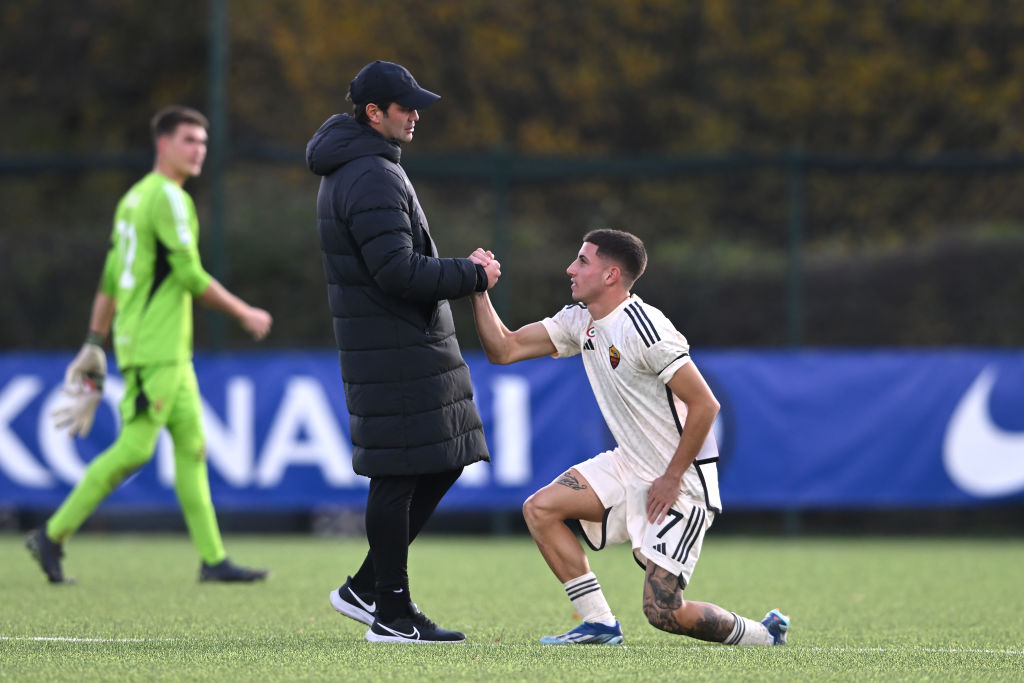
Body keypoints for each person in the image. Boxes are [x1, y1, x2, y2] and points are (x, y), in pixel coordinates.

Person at [469, 229, 790, 646]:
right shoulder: (579, 320)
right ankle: (600, 624)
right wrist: (478, 290)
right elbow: (504, 349)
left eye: (583, 261)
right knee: (541, 508)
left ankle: (764, 634)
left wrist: (672, 477)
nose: (571, 268)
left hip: (682, 484)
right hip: (628, 463)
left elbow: (706, 405)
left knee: (664, 612)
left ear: (611, 275)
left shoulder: (646, 326)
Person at [26, 106, 273, 585]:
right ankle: (52, 535)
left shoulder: (132, 198)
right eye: (189, 140)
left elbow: (111, 278)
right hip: (154, 348)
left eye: (203, 142)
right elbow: (189, 275)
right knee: (136, 449)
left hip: (167, 351)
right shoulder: (169, 200)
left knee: (192, 448)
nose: (198, 149)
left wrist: (94, 340)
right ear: (162, 144)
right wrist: (244, 311)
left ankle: (213, 559)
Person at [306, 61, 500, 644]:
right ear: (373, 112)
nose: (416, 114)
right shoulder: (369, 173)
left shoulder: (365, 166)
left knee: (445, 456)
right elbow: (396, 271)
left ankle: (368, 587)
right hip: (392, 346)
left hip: (401, 343)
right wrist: (472, 273)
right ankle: (390, 610)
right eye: (405, 105)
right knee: (397, 474)